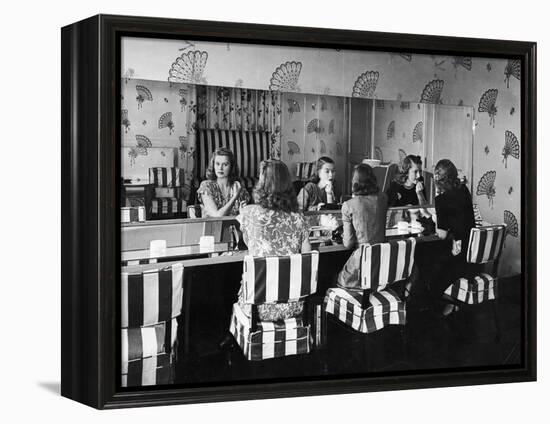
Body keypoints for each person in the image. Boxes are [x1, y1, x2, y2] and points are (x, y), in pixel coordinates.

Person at [237, 160, 311, 320]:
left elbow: (249, 244)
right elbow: (307, 259)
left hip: (257, 306)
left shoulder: (249, 213)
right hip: (293, 305)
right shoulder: (299, 219)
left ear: (262, 183)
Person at [429, 159, 476, 315]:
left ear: (437, 180)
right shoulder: (464, 190)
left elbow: (441, 235)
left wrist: (437, 212)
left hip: (458, 256)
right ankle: (450, 297)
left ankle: (441, 297)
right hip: (471, 251)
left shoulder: (441, 199)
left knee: (425, 258)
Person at [337, 164, 388, 289]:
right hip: (382, 263)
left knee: (335, 277)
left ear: (354, 182)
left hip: (361, 265)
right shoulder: (383, 198)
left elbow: (348, 244)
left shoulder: (349, 205)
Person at [197, 148, 250, 217]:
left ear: (231, 166)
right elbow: (217, 216)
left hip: (234, 226)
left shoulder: (239, 188)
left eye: (225, 164)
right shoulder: (206, 187)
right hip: (213, 227)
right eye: (217, 164)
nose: (220, 168)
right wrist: (234, 197)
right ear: (213, 165)